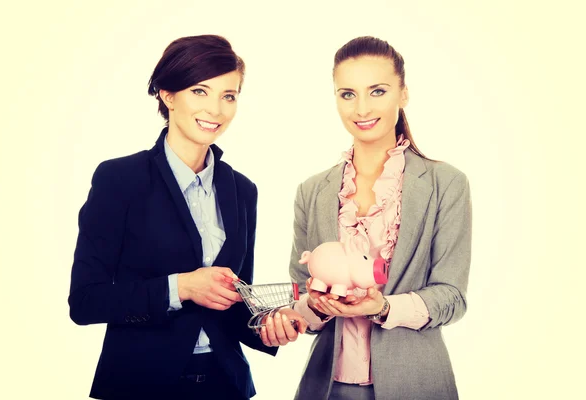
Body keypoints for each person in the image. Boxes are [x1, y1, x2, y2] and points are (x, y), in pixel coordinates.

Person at [68, 34, 306, 400]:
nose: (216, 109)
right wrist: (182, 287)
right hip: (140, 384)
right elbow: (86, 301)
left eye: (229, 96)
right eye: (200, 91)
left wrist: (269, 326)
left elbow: (235, 300)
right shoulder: (119, 180)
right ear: (167, 94)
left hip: (225, 384)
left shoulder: (243, 190)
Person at [289, 36, 472, 400]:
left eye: (377, 91)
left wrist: (385, 307)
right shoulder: (312, 191)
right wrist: (314, 306)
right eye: (347, 94)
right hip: (325, 388)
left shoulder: (446, 184)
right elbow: (299, 292)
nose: (361, 108)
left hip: (417, 384)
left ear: (403, 94)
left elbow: (452, 297)